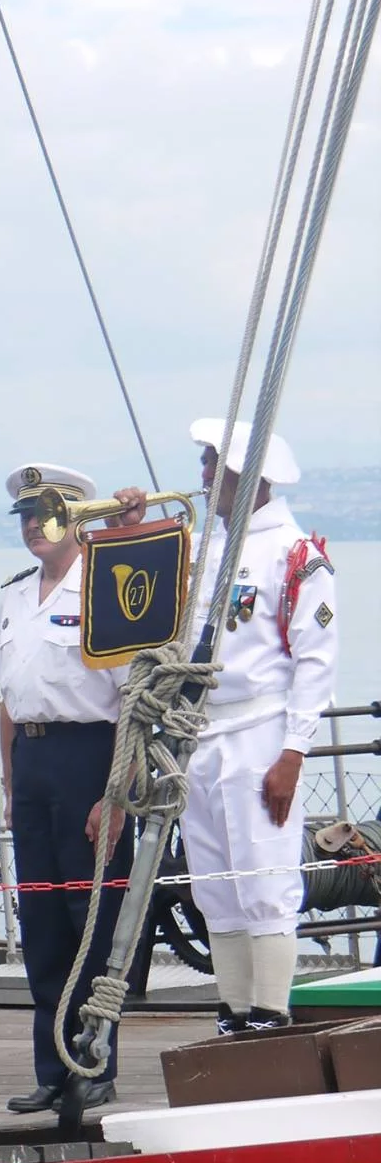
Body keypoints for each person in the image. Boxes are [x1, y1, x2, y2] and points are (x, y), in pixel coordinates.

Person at [113, 421, 338, 1033]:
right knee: (214, 882)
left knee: (265, 876)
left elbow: (315, 662)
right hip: (199, 732)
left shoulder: (295, 554)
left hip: (260, 729)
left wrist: (293, 752)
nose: (205, 473)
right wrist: (131, 529)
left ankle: (270, 1012)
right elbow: (141, 600)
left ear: (250, 474)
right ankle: (235, 1010)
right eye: (206, 461)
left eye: (215, 462)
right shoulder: (202, 549)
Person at [0, 466, 128, 1113]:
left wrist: (118, 793)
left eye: (45, 513)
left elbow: (133, 702)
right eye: (25, 516)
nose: (33, 526)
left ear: (78, 518)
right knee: (44, 923)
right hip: (33, 758)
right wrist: (9, 782)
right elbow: (6, 699)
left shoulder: (107, 586)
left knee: (91, 918)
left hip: (89, 756)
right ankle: (53, 1067)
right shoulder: (15, 597)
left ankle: (96, 1060)